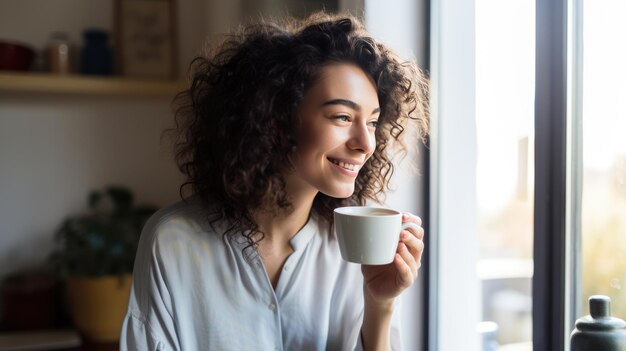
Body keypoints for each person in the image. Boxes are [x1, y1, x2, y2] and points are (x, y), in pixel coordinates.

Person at [120, 11, 429, 351]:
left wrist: (380, 303)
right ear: (277, 118)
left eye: (371, 122)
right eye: (342, 117)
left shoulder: (358, 250)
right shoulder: (174, 241)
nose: (365, 144)